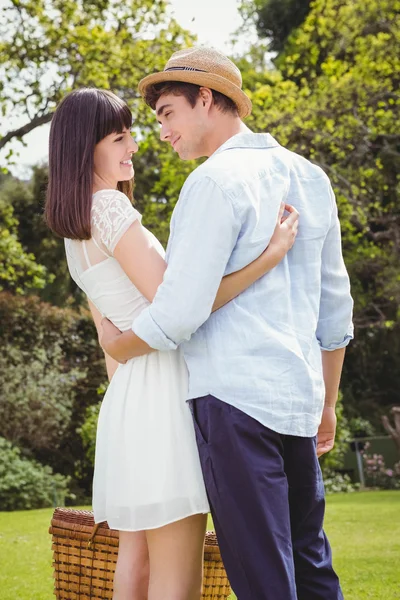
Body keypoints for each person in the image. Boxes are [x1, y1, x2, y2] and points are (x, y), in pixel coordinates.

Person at [101, 47, 354, 600]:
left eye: (167, 112)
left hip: (234, 407)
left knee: (262, 576)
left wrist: (121, 346)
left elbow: (179, 311)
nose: (162, 131)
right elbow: (335, 312)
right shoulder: (311, 179)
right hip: (297, 402)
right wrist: (327, 405)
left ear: (207, 99)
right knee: (310, 566)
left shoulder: (212, 183)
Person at [44, 87, 299, 600]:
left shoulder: (74, 230)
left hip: (131, 397)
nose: (134, 146)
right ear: (85, 147)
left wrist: (121, 361)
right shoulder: (110, 210)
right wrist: (267, 258)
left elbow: (110, 337)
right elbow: (180, 305)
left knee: (135, 563)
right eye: (120, 137)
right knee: (177, 574)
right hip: (162, 391)